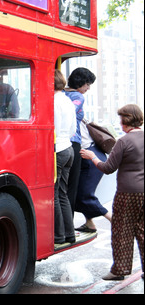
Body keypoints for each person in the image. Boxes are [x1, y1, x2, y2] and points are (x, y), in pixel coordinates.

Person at [80, 104, 144, 281]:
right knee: (142, 230)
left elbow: (108, 168)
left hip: (127, 192)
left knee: (122, 231)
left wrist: (92, 157)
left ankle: (120, 271)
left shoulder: (124, 141)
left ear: (125, 121)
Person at [64, 67, 96, 215]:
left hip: (59, 142)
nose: (88, 88)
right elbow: (69, 111)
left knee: (61, 186)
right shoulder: (78, 96)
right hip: (73, 142)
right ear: (80, 82)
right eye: (87, 84)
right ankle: (69, 225)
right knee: (72, 186)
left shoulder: (60, 93)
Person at [74, 120, 112, 233]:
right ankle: (89, 223)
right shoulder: (78, 115)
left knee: (84, 195)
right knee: (79, 193)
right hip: (93, 153)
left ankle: (113, 219)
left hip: (89, 157)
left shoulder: (73, 117)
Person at [54, 69, 77, 245]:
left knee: (54, 195)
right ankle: (70, 234)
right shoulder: (68, 101)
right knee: (63, 194)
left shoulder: (53, 101)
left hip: (58, 149)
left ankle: (59, 235)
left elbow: (53, 129)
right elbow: (72, 130)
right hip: (69, 148)